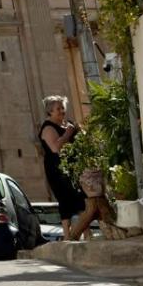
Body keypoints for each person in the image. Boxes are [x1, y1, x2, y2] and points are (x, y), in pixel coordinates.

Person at [39, 95, 88, 241]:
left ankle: (87, 234)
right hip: (58, 169)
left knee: (81, 198)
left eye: (63, 107)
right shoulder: (48, 128)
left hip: (73, 166)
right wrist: (68, 133)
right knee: (66, 199)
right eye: (58, 108)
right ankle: (67, 236)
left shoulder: (68, 124)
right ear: (50, 111)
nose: (62, 111)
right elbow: (55, 148)